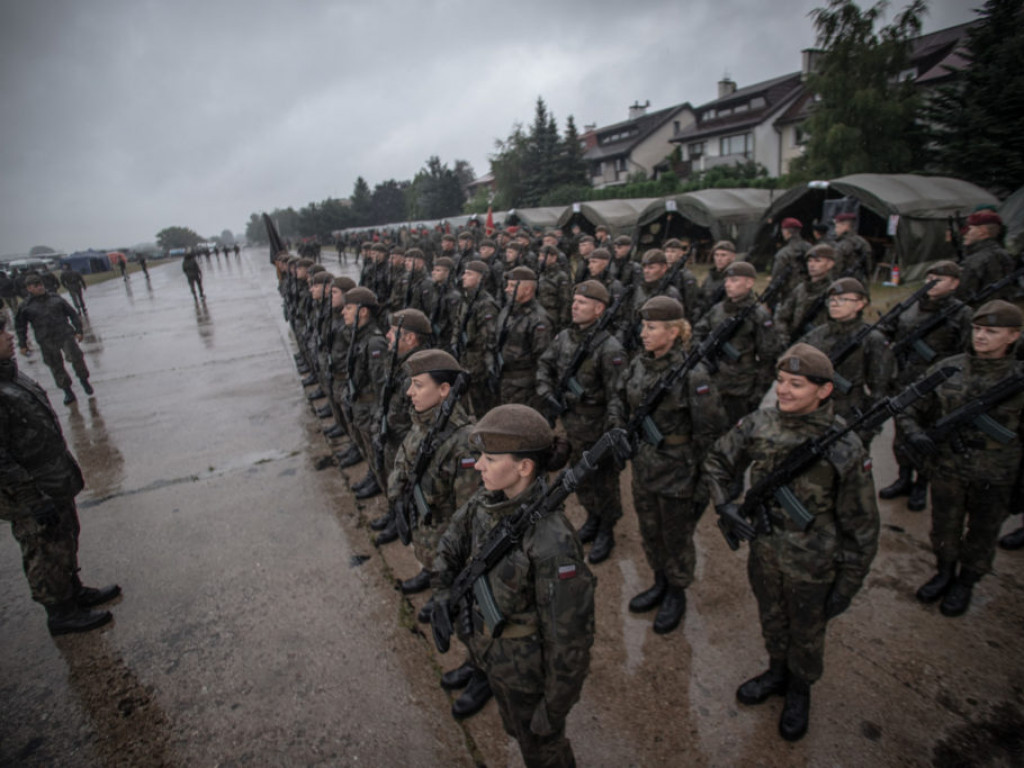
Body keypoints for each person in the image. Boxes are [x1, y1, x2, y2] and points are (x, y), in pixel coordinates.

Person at [703, 343, 879, 741]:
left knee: (808, 634)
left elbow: (863, 529)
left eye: (796, 385)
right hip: (764, 553)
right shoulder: (759, 423)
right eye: (781, 381)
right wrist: (724, 505)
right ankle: (776, 672)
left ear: (824, 391)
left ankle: (800, 690)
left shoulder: (845, 447)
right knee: (772, 619)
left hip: (814, 567)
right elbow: (716, 460)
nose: (783, 390)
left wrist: (847, 587)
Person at [433, 404, 595, 766]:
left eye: (490, 458)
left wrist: (554, 708)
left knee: (543, 751)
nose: (478, 466)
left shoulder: (553, 544)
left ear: (524, 467)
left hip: (528, 678)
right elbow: (451, 542)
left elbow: (570, 643)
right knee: (517, 732)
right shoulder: (489, 501)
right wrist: (444, 593)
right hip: (493, 659)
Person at [896, 300, 1024, 617]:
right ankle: (943, 572)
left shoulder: (1017, 378)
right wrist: (915, 434)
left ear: (1013, 336)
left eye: (991, 331)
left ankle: (966, 581)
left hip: (996, 476)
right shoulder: (947, 368)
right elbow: (907, 406)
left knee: (983, 533)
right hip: (947, 469)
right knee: (944, 528)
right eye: (978, 329)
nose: (980, 336)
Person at [0, 315, 120, 635]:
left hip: (51, 480)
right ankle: (61, 612)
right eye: (1, 332)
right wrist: (30, 497)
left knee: (63, 539)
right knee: (43, 548)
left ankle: (73, 591)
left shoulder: (10, 375)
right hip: (30, 491)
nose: (10, 336)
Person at [619, 297, 727, 633]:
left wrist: (704, 485)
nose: (643, 333)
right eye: (643, 326)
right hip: (644, 466)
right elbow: (620, 400)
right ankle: (659, 581)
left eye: (651, 328)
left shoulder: (694, 376)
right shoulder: (639, 364)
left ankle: (676, 591)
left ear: (674, 331)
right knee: (650, 530)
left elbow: (710, 435)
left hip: (679, 472)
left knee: (676, 537)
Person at [536, 280, 627, 564]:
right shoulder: (564, 337)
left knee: (604, 483)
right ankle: (591, 518)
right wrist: (547, 392)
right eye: (574, 301)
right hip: (571, 424)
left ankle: (606, 529)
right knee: (581, 479)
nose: (574, 306)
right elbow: (545, 364)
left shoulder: (609, 348)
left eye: (582, 303)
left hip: (597, 428)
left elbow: (618, 395)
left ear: (599, 309)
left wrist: (612, 430)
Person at [880, 261, 972, 511]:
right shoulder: (910, 306)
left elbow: (966, 353)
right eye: (929, 277)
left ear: (954, 283)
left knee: (928, 437)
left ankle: (922, 484)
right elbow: (887, 331)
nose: (932, 283)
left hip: (936, 389)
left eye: (939, 279)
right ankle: (903, 478)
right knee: (902, 435)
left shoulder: (962, 314)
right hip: (904, 381)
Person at [798, 277, 894, 449]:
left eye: (843, 299)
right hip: (814, 413)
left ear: (860, 304)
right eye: (832, 300)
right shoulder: (817, 335)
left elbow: (880, 388)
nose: (835, 304)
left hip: (851, 415)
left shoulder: (872, 339)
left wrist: (867, 429)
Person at [693, 261, 783, 424]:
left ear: (749, 283)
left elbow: (769, 357)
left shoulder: (758, 315)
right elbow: (697, 333)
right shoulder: (718, 309)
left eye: (734, 280)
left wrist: (757, 394)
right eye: (727, 280)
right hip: (712, 382)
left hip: (740, 389)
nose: (728, 285)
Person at [15, 275, 92, 404]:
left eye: (40, 284)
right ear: (29, 288)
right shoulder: (25, 306)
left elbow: (72, 313)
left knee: (77, 358)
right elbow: (20, 327)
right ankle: (67, 391)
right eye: (36, 285)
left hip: (65, 335)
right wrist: (23, 344)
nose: (40, 287)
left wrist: (78, 330)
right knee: (55, 366)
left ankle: (84, 381)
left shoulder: (56, 299)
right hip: (46, 340)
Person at [494, 267, 552, 411]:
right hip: (504, 380)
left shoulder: (539, 319)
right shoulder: (507, 311)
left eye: (512, 286)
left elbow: (542, 360)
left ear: (527, 290)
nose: (507, 289)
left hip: (524, 388)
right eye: (507, 285)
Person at [451, 260, 499, 416]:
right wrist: (454, 344)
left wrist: (477, 364)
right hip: (464, 358)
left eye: (469, 274)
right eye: (465, 273)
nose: (464, 276)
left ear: (481, 279)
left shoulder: (486, 304)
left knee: (481, 405)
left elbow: (487, 338)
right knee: (461, 401)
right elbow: (457, 325)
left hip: (478, 363)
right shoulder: (465, 299)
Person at [774, 243, 837, 344]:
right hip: (794, 341)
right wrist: (784, 337)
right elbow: (782, 316)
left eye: (817, 261)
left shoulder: (833, 291)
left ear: (830, 264)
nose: (812, 265)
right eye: (809, 261)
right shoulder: (800, 289)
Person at [955, 211, 1015, 305]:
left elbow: (961, 294)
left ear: (982, 231)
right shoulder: (1004, 254)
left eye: (969, 229)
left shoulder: (974, 261)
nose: (965, 234)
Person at [695, 240, 737, 319]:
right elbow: (699, 298)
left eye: (723, 255)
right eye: (716, 255)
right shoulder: (710, 277)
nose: (719, 259)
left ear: (733, 257)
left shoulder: (736, 278)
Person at [771, 218, 809, 303]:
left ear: (787, 232)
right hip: (809, 292)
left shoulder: (783, 253)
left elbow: (776, 278)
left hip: (789, 294)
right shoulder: (810, 248)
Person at [832, 212, 872, 290]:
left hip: (844, 285)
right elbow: (869, 267)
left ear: (845, 226)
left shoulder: (841, 245)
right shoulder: (864, 242)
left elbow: (836, 269)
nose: (835, 230)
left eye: (837, 226)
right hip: (861, 284)